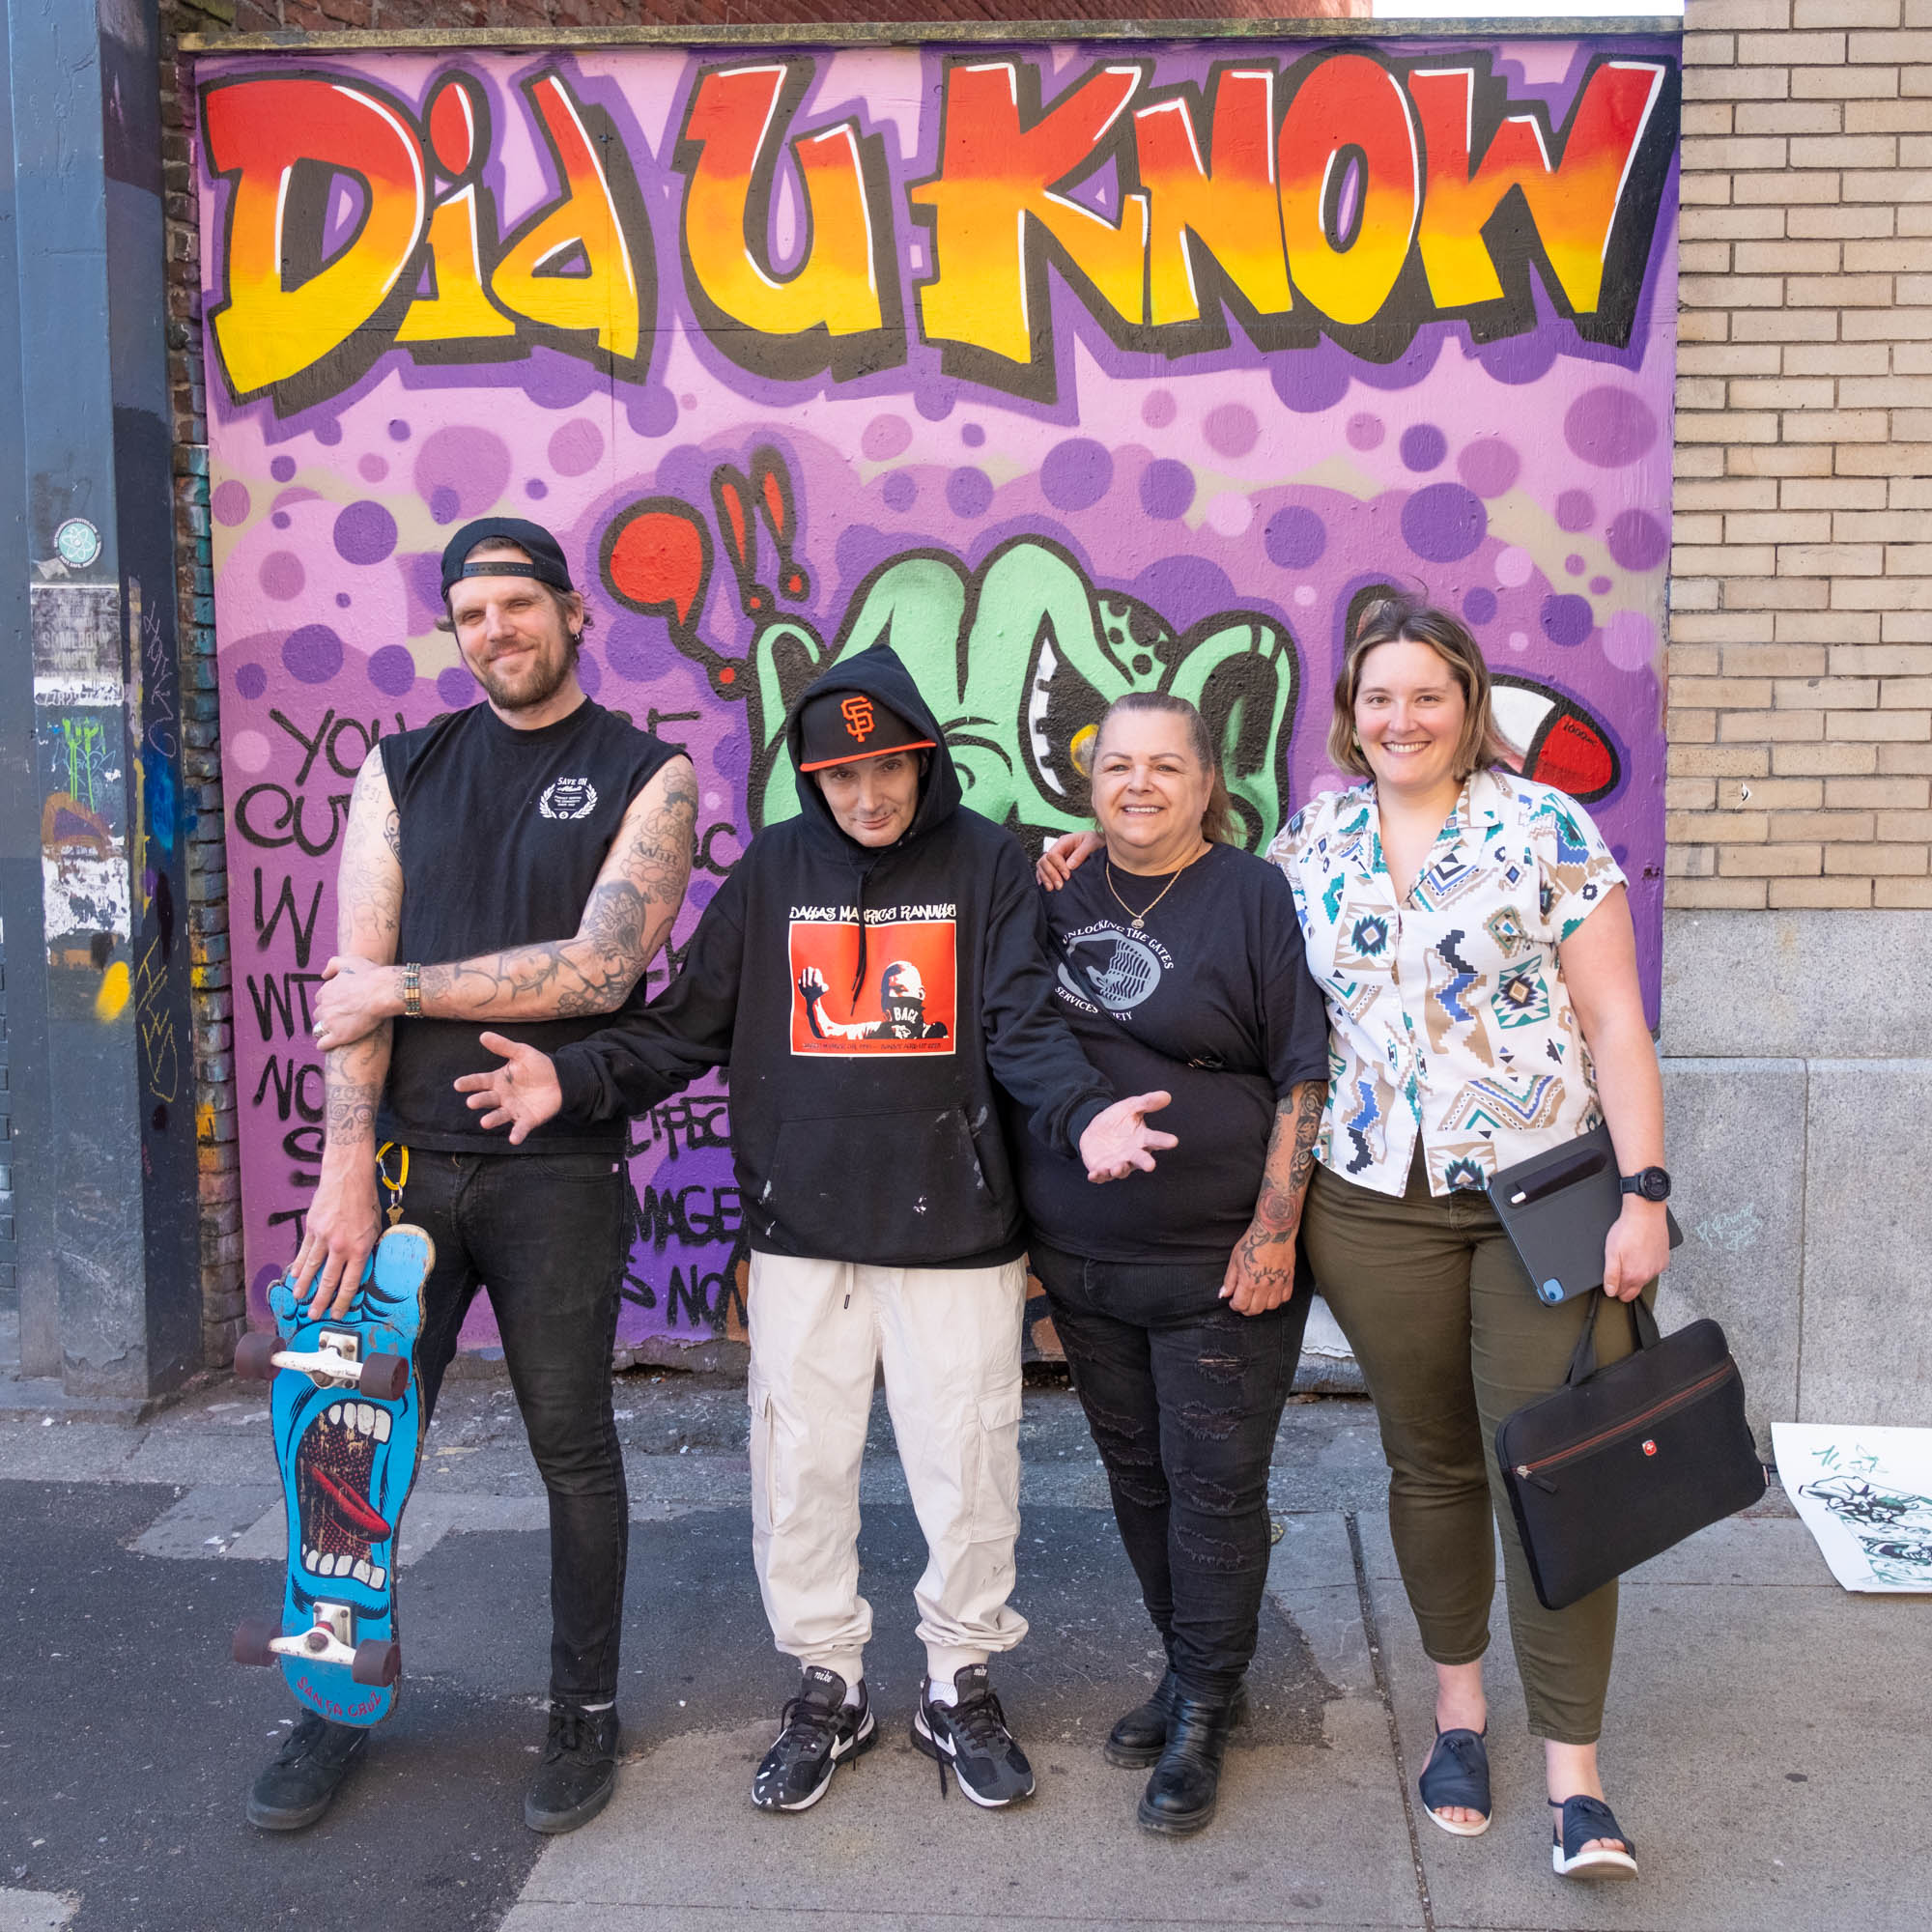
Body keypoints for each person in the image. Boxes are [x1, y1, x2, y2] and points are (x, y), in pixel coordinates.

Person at [453, 642, 1178, 1817]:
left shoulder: (991, 864)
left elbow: (1022, 1024)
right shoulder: (773, 872)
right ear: (810, 777)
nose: (868, 794)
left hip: (956, 1235)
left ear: (924, 758)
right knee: (798, 1466)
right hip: (802, 1234)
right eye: (841, 774)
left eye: (888, 766)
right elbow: (681, 1024)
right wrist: (570, 1079)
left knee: (969, 1461)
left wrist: (1086, 1112)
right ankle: (827, 1681)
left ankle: (958, 1677)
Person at [1041, 597, 1670, 1880]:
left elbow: (1615, 1023)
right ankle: (1456, 1720)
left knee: (1549, 1468)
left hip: (1540, 1190)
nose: (1400, 719)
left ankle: (1576, 1775)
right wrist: (1080, 846)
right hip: (1372, 1203)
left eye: (1426, 696)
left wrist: (1646, 1192)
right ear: (1351, 714)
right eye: (1378, 698)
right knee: (1429, 1463)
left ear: (1467, 704)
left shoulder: (1543, 826)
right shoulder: (1315, 836)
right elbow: (1191, 877)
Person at [250, 516, 696, 1837]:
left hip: (556, 1176)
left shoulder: (647, 774)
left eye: (516, 607)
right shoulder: (402, 768)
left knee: (573, 1450)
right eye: (470, 616)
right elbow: (354, 994)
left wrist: (403, 985)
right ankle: (332, 1702)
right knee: (351, 1440)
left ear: (571, 614)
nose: (494, 633)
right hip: (395, 1176)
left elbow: (601, 967)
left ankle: (582, 1716)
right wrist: (343, 1174)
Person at [1018, 694, 1330, 1836]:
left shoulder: (1251, 894)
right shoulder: (1049, 885)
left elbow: (1303, 1069)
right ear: (1085, 781)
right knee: (1137, 1477)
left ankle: (1204, 1700)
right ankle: (1191, 1666)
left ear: (1208, 783)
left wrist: (1274, 1229)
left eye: (1163, 767)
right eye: (1114, 767)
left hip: (1217, 1262)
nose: (1136, 786)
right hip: (1084, 1258)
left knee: (1210, 1487)